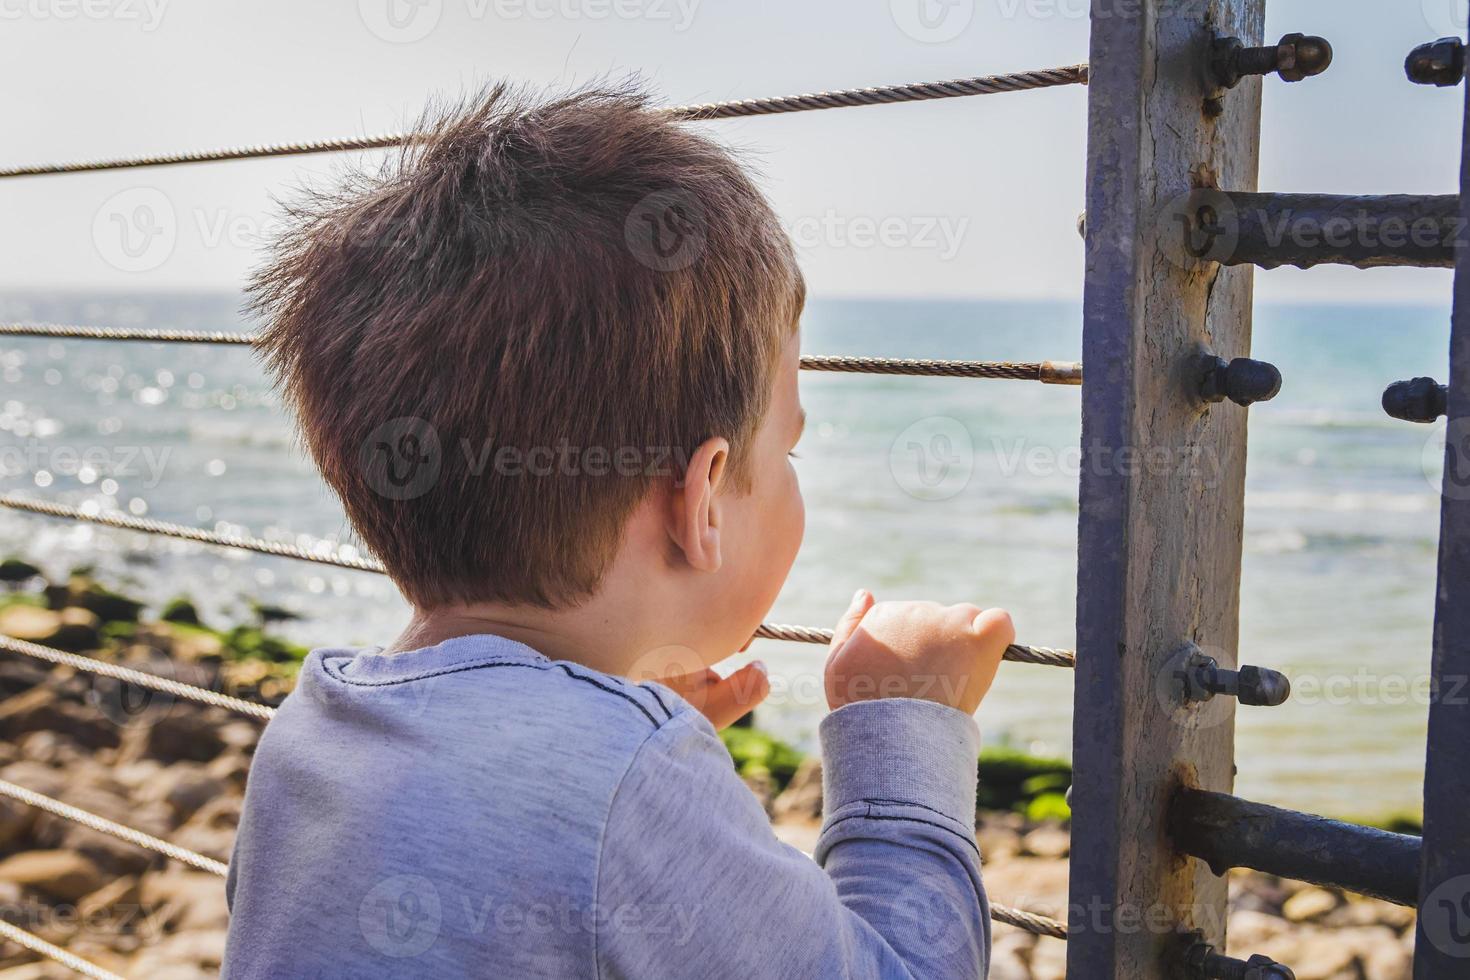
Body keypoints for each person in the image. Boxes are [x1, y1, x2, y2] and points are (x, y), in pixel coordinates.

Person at [222, 83, 1014, 979]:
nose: (794, 470)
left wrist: (606, 723)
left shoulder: (306, 736)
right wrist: (900, 725)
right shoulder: (631, 779)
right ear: (701, 499)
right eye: (789, 447)